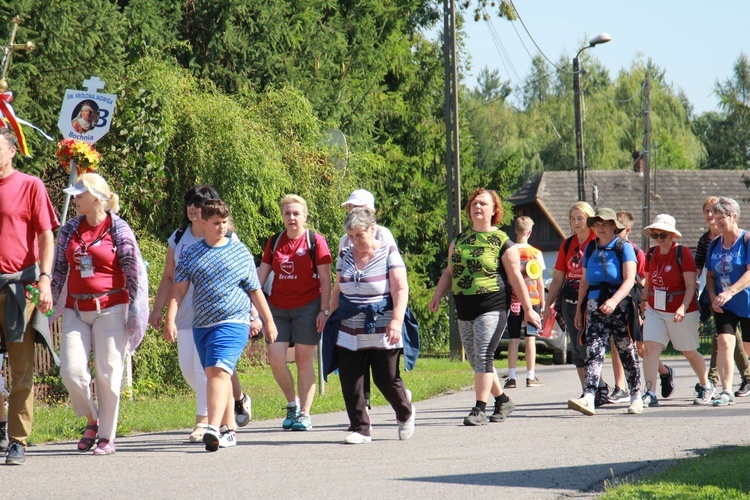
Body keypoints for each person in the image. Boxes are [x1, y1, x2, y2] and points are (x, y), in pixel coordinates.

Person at [166, 199, 278, 451]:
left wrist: (267, 321)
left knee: (217, 370)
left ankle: (212, 427)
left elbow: (255, 291)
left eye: (225, 223)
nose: (221, 228)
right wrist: (169, 319)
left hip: (233, 322)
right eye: (216, 223)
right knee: (216, 375)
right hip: (202, 325)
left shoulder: (240, 252)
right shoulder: (192, 254)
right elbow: (178, 289)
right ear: (203, 222)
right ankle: (229, 431)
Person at [148, 185, 258, 442]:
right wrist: (159, 310)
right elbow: (168, 276)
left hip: (220, 314)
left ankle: (207, 421)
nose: (192, 207)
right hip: (185, 312)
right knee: (191, 368)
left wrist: (254, 314)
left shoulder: (228, 237)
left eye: (198, 203)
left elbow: (246, 279)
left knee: (208, 369)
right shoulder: (178, 237)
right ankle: (235, 399)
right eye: (190, 202)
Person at [50, 173, 149, 455]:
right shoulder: (70, 229)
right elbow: (59, 270)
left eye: (79, 195)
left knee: (108, 373)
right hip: (75, 309)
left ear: (95, 197)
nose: (74, 199)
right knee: (70, 371)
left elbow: (134, 273)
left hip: (111, 308)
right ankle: (92, 418)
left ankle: (106, 436)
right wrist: (49, 300)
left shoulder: (119, 229)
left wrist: (135, 314)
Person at [430, 188, 539, 426]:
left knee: (482, 355)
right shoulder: (459, 240)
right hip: (464, 306)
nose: (477, 207)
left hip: (492, 305)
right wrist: (438, 295)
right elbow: (450, 272)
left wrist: (529, 309)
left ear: (494, 211)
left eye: (483, 204)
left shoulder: (503, 242)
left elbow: (516, 279)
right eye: (474, 204)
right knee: (476, 359)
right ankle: (502, 400)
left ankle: (479, 409)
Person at [323, 207, 416, 444]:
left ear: (372, 229)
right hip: (349, 325)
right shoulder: (345, 255)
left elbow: (400, 288)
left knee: (386, 378)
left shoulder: (388, 252)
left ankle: (405, 413)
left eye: (359, 235)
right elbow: (337, 289)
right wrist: (329, 315)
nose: (355, 241)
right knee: (350, 378)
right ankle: (360, 428)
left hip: (382, 323)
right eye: (350, 236)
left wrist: (396, 320)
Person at [0, 127, 59, 465]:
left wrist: (46, 280)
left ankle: (17, 440)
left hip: (19, 287)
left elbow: (46, 236)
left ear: (11, 152)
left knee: (21, 370)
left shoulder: (30, 186)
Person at [258, 194, 332, 432]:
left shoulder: (315, 240)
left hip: (308, 306)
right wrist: (250, 302)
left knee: (302, 360)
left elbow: (325, 278)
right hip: (278, 308)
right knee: (276, 359)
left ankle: (305, 414)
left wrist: (324, 309)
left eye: (296, 213)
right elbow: (260, 276)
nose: (292, 217)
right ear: (282, 215)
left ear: (305, 216)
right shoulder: (275, 241)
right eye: (287, 213)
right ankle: (292, 404)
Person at [568, 208, 643, 416]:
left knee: (626, 349)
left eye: (605, 223)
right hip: (594, 304)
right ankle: (589, 396)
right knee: (594, 350)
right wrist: (578, 309)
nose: (601, 227)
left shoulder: (623, 247)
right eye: (597, 224)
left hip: (620, 305)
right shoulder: (590, 249)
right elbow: (584, 281)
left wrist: (614, 300)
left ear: (614, 226)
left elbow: (629, 279)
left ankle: (636, 396)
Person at [639, 214, 714, 407]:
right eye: (655, 234)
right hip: (656, 308)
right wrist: (643, 301)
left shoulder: (682, 253)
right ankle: (649, 392)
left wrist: (683, 306)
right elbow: (648, 280)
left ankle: (706, 385)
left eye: (662, 235)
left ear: (672, 235)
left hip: (682, 309)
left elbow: (691, 285)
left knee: (688, 351)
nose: (658, 239)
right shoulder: (651, 253)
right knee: (650, 349)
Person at [338, 189, 398, 412]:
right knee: (353, 371)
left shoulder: (383, 234)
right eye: (349, 207)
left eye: (356, 207)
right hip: (352, 313)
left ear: (370, 211)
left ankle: (400, 404)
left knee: (385, 375)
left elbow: (395, 277)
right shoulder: (346, 238)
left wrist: (396, 316)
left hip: (381, 311)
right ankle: (361, 417)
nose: (351, 210)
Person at [616, 211, 675, 402]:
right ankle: (620, 387)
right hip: (615, 301)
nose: (613, 233)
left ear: (628, 230)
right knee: (616, 344)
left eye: (618, 230)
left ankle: (665, 372)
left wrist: (642, 304)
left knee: (642, 349)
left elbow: (644, 279)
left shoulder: (636, 251)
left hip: (634, 300)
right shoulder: (606, 247)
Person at [696, 196, 750, 396]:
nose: (716, 220)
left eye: (721, 217)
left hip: (746, 301)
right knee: (725, 342)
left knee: (748, 348)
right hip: (724, 304)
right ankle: (726, 391)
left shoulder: (746, 240)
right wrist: (712, 295)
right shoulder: (714, 244)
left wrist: (729, 292)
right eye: (714, 216)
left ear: (734, 217)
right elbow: (710, 275)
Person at [504, 216, 545, 389]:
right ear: (529, 232)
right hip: (532, 301)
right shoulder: (535, 253)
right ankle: (530, 376)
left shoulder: (508, 251)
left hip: (514, 301)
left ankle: (512, 378)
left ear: (516, 230)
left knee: (513, 339)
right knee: (530, 339)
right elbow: (540, 281)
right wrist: (542, 303)